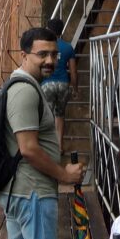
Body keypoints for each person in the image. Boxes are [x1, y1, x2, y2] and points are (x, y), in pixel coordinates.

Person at [0, 27, 85, 239]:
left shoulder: (25, 85)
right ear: (24, 55)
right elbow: (29, 148)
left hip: (19, 191)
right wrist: (64, 175)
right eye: (42, 54)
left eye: (54, 54)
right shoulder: (25, 91)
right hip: (32, 192)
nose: (50, 60)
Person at [41, 18, 78, 151]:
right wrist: (75, 88)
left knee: (46, 116)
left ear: (48, 30)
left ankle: (47, 148)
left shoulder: (44, 46)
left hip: (47, 85)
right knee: (60, 115)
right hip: (63, 84)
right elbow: (73, 71)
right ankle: (60, 147)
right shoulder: (68, 47)